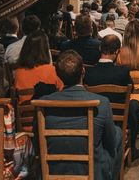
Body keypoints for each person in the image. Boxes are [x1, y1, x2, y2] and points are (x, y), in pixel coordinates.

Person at [39, 50, 123, 179]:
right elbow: (110, 143)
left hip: (54, 169)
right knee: (117, 133)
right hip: (92, 172)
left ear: (57, 75)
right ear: (83, 71)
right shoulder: (101, 103)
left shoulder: (43, 104)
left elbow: (37, 143)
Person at [84, 35, 139, 161]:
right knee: (134, 104)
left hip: (95, 115)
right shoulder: (123, 71)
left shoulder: (89, 72)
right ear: (117, 51)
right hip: (118, 115)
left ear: (100, 48)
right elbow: (130, 89)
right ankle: (132, 148)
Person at [13, 30, 64, 103]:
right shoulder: (54, 71)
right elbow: (60, 93)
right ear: (45, 48)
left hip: (25, 113)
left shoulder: (18, 72)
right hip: (48, 112)